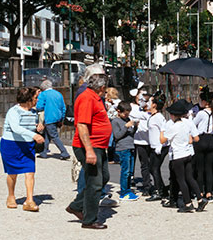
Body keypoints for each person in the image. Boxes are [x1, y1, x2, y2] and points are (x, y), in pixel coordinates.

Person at [65, 73, 112, 230]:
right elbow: (82, 125)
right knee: (95, 182)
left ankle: (76, 206)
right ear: (102, 87)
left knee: (103, 177)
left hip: (98, 146)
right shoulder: (87, 98)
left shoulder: (95, 97)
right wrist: (89, 150)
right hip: (89, 146)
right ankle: (89, 219)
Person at [1, 85, 46, 212]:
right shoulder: (13, 111)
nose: (37, 100)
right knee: (12, 173)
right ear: (29, 98)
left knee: (30, 172)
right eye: (35, 97)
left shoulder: (33, 112)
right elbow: (16, 128)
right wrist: (34, 135)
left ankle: (29, 200)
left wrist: (38, 127)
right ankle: (11, 196)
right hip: (12, 144)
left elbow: (31, 126)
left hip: (27, 145)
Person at [161, 99, 207, 213]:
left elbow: (162, 140)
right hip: (187, 153)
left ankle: (188, 203)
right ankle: (200, 199)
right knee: (190, 178)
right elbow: (193, 138)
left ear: (173, 115)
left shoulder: (174, 127)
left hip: (178, 155)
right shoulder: (186, 124)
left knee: (181, 180)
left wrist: (162, 130)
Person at [192, 91, 213, 201]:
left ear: (204, 102)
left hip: (201, 139)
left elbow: (193, 125)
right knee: (209, 168)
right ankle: (209, 192)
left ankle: (200, 191)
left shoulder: (201, 113)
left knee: (200, 168)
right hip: (211, 139)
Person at [34, 78, 69, 160]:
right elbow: (63, 107)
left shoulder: (43, 94)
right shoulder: (58, 94)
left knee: (54, 136)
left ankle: (64, 152)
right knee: (47, 135)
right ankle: (44, 151)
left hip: (49, 117)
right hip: (58, 117)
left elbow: (39, 107)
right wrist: (62, 119)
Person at [111, 101, 138, 201]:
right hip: (122, 148)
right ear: (119, 111)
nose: (126, 116)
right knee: (125, 171)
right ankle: (123, 192)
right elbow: (117, 135)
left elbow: (130, 133)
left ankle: (128, 189)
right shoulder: (115, 121)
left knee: (130, 171)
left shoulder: (127, 119)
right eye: (125, 114)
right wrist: (126, 126)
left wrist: (135, 127)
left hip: (130, 146)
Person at [146, 95, 169, 201]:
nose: (147, 104)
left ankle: (159, 191)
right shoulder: (152, 116)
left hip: (160, 147)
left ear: (154, 105)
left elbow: (164, 131)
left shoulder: (159, 117)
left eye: (149, 102)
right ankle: (162, 189)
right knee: (152, 168)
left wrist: (161, 145)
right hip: (153, 146)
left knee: (154, 168)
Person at [130, 94, 152, 193]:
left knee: (153, 165)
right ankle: (147, 185)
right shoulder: (136, 111)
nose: (142, 102)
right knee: (144, 164)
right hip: (140, 142)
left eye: (145, 101)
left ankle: (156, 185)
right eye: (140, 100)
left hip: (151, 142)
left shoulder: (153, 115)